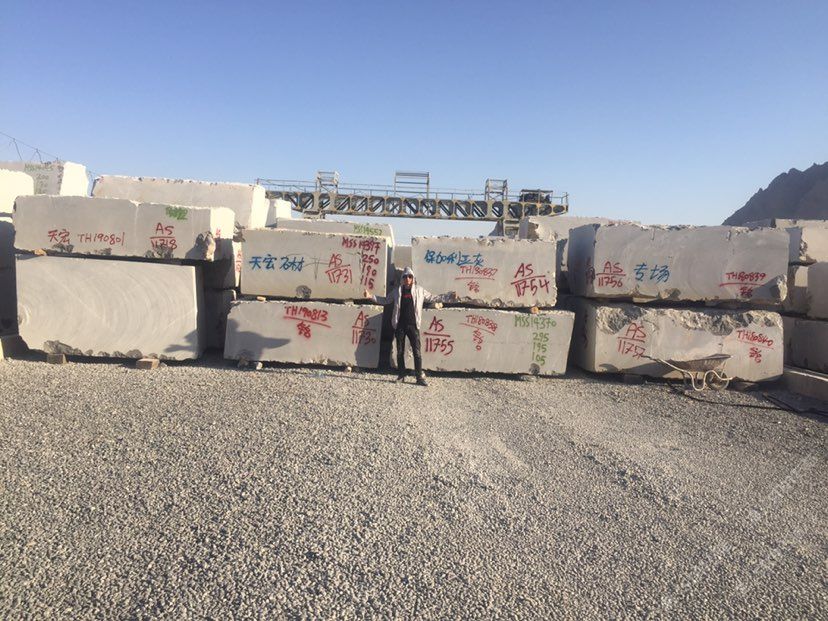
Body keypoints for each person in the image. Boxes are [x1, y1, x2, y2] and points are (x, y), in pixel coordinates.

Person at [367, 267, 451, 386]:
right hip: (400, 326)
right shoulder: (397, 291)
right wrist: (371, 296)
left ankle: (419, 377)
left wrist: (449, 297)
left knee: (417, 352)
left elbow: (433, 297)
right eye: (405, 276)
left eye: (410, 276)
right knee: (400, 352)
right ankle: (401, 375)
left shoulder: (419, 290)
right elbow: (386, 300)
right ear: (402, 279)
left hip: (413, 326)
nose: (407, 279)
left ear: (413, 278)